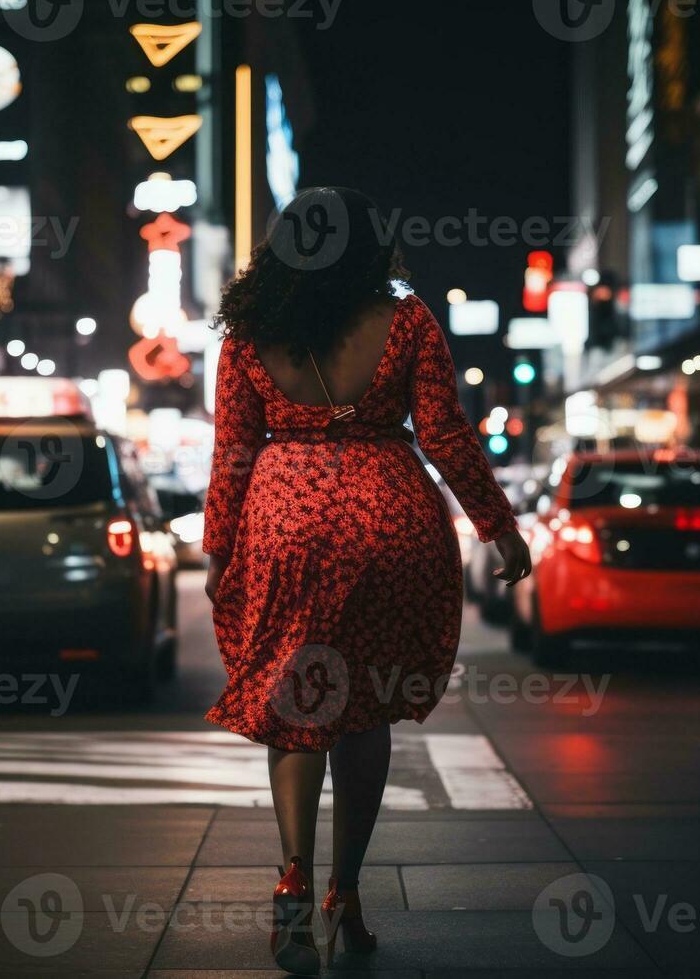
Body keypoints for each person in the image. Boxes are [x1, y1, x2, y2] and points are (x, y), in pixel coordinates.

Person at [203, 187, 532, 975]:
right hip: (390, 518)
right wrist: (497, 522)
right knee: (363, 708)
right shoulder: (407, 319)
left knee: (295, 702)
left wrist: (220, 551)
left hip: (285, 516)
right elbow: (445, 431)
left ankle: (291, 874)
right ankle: (345, 891)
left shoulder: (252, 330)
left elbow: (232, 451)